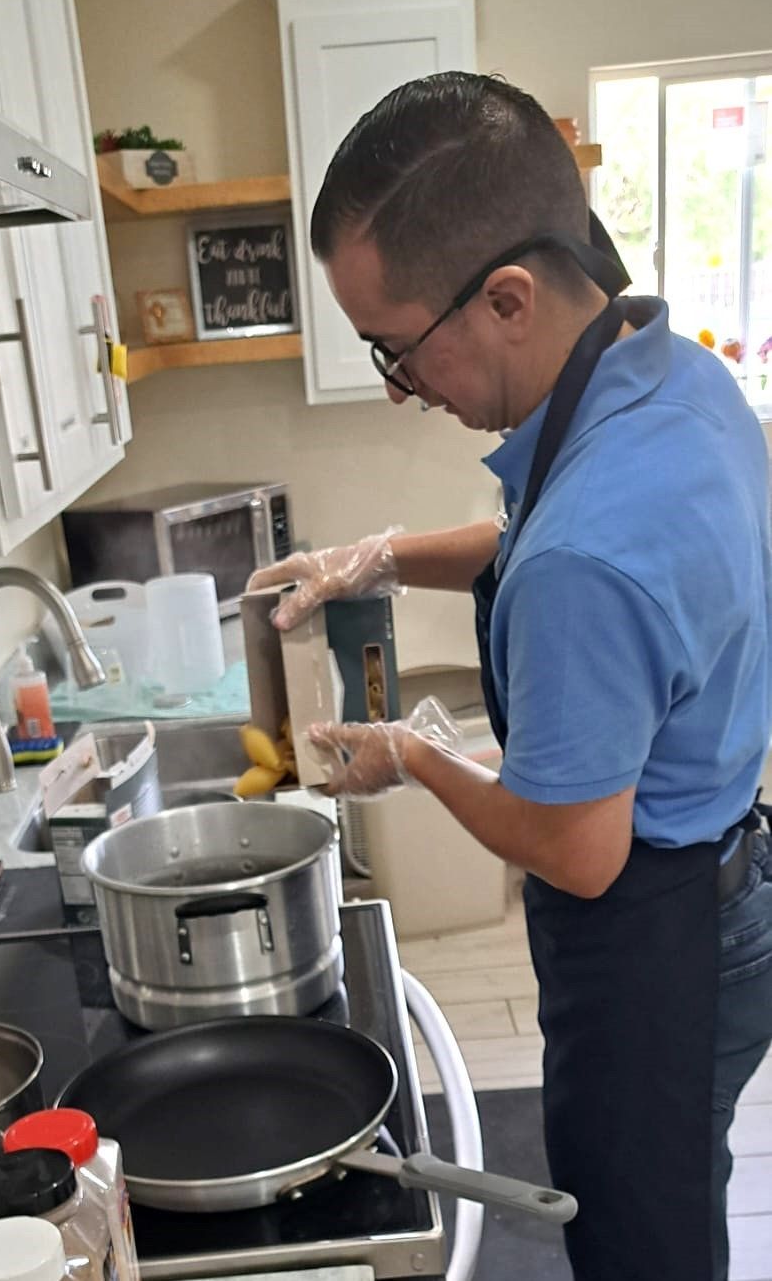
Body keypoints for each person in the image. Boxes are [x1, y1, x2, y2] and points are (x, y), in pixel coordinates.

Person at [248, 72, 772, 1281]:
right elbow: (541, 535)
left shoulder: (584, 559)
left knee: (639, 1236)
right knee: (682, 1185)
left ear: (506, 298)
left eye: (395, 348)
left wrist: (411, 757)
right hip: (730, 886)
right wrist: (369, 555)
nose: (398, 384)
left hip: (655, 939)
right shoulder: (669, 377)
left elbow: (574, 846)